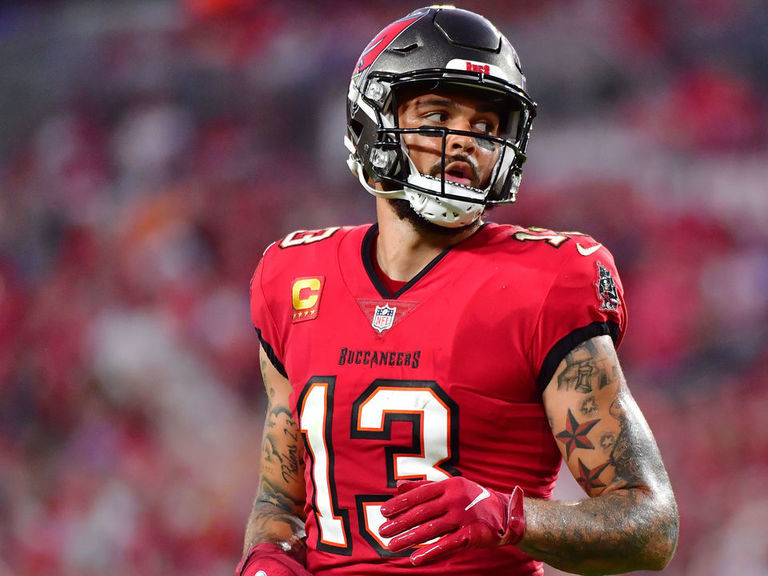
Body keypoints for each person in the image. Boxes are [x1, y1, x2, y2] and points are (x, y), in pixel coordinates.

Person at [237, 6, 679, 576]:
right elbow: (280, 500)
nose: (464, 141)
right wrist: (267, 555)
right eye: (438, 113)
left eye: (486, 127)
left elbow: (651, 525)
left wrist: (510, 518)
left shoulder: (545, 281)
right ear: (374, 119)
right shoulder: (294, 278)